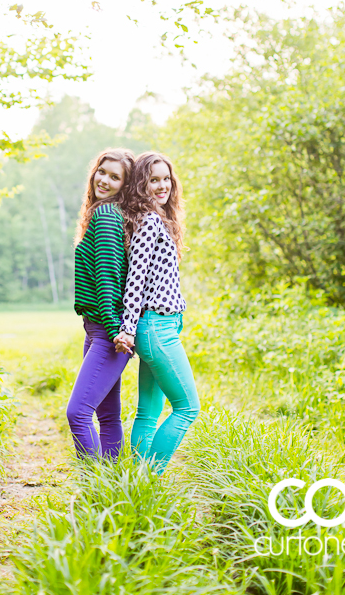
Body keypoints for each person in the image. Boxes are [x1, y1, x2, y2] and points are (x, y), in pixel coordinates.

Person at [114, 151, 200, 474]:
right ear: (141, 184)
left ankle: (137, 482)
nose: (162, 186)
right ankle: (151, 476)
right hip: (156, 329)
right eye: (154, 180)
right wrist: (128, 328)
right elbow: (135, 279)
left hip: (160, 327)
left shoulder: (157, 219)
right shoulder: (150, 221)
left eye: (166, 179)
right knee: (187, 407)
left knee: (148, 412)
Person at [66, 148, 135, 460]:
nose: (104, 180)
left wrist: (112, 331)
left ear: (125, 185)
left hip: (108, 333)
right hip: (100, 330)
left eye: (115, 176)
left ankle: (95, 487)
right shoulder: (106, 215)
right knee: (107, 417)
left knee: (78, 413)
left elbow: (108, 281)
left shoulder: (106, 217)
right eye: (102, 171)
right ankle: (111, 486)